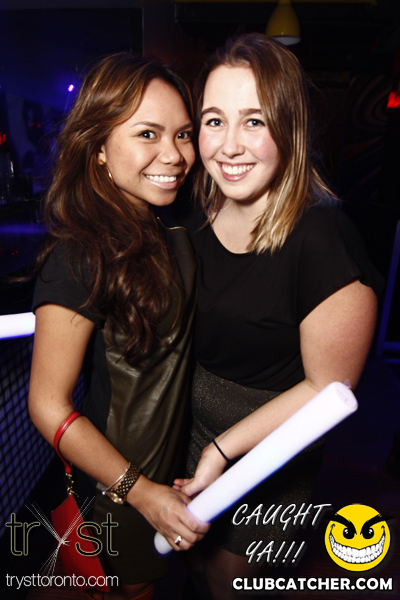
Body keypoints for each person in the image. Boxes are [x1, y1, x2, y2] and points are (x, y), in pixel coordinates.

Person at [174, 34, 383, 599]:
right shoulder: (195, 212)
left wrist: (222, 451)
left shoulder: (322, 237)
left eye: (254, 121)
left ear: (289, 127)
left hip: (270, 450)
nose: (229, 146)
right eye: (214, 121)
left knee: (230, 578)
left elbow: (328, 388)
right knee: (194, 567)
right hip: (190, 429)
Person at [28, 52, 209, 600]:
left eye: (183, 134)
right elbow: (48, 406)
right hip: (118, 489)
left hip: (165, 478)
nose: (174, 155)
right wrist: (142, 492)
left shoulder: (167, 230)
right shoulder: (80, 254)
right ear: (99, 147)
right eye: (147, 133)